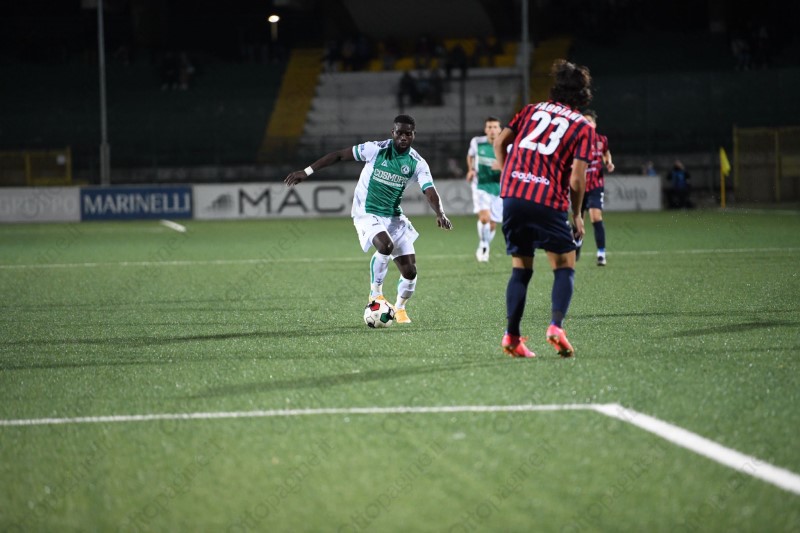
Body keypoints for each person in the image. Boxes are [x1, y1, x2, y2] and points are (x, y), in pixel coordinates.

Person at [284, 115, 452, 324]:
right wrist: (307, 171)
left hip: (393, 215)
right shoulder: (375, 149)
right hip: (366, 212)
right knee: (385, 245)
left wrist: (440, 213)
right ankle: (375, 294)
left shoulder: (417, 163)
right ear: (392, 133)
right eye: (399, 133)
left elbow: (429, 190)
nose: (403, 137)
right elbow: (339, 155)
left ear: (413, 135)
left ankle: (399, 308)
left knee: (410, 271)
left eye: (408, 134)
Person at [493, 59, 595, 358]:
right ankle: (555, 327)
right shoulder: (583, 127)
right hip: (547, 199)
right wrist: (577, 214)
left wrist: (508, 177)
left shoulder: (530, 110)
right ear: (583, 95)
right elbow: (577, 179)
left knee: (521, 268)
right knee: (564, 264)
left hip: (513, 196)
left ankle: (512, 336)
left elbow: (500, 143)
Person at [577, 109, 614, 266]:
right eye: (584, 121)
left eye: (589, 121)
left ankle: (601, 253)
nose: (587, 124)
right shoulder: (576, 141)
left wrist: (608, 162)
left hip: (595, 185)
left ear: (594, 124)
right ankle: (576, 247)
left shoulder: (601, 140)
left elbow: (606, 152)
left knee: (596, 217)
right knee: (578, 220)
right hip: (579, 186)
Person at [466, 116, 503, 262]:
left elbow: (514, 164)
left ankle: (485, 244)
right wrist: (471, 170)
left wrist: (502, 166)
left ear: (500, 130)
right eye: (489, 127)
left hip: (498, 187)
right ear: (485, 129)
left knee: (492, 224)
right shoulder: (477, 142)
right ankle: (483, 246)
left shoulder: (506, 145)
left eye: (495, 127)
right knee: (484, 218)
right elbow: (470, 156)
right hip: (480, 185)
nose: (492, 130)